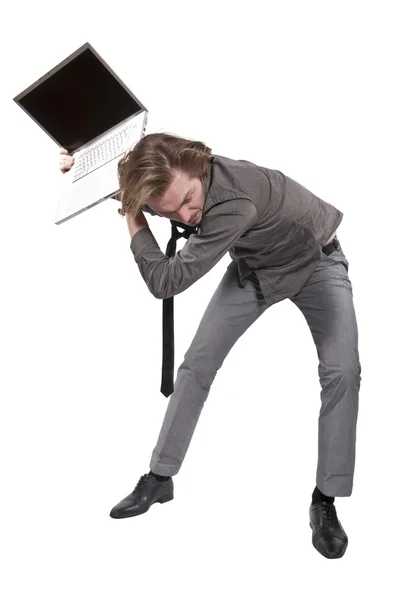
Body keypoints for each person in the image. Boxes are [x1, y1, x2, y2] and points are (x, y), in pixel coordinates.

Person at [59, 134, 361, 559]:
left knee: (342, 371)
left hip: (316, 261)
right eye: (170, 211)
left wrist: (132, 218)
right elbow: (132, 178)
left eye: (188, 200)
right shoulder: (170, 176)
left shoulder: (236, 202)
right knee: (197, 363)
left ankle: (325, 500)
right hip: (257, 266)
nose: (186, 214)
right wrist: (83, 169)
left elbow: (165, 281)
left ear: (198, 167)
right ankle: (160, 478)